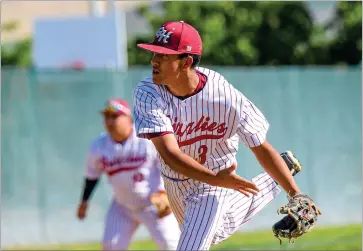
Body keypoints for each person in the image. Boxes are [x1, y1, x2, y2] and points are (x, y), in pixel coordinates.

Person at [132, 21, 311, 250]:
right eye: (155, 53)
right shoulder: (147, 93)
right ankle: (274, 177)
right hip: (176, 179)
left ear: (186, 62)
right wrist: (218, 179)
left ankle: (277, 175)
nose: (154, 61)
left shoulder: (224, 96)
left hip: (215, 179)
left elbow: (260, 146)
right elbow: (170, 154)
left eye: (164, 56)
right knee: (216, 232)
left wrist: (296, 194)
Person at [76, 98, 180, 250]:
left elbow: (169, 167)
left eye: (115, 116)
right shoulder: (99, 146)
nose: (110, 121)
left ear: (128, 118)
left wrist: (170, 194)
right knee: (111, 245)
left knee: (171, 245)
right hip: (122, 206)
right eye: (107, 117)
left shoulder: (146, 138)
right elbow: (92, 176)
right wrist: (84, 202)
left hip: (154, 203)